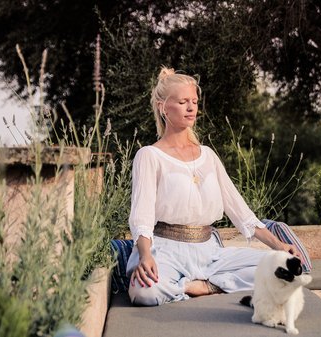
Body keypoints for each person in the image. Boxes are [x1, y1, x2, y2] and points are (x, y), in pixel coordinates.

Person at [126, 67, 301, 306]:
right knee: (143, 292)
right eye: (182, 101)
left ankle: (207, 285)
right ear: (163, 106)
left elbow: (242, 214)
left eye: (194, 102)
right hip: (167, 251)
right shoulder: (149, 156)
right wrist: (145, 255)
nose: (191, 108)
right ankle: (185, 285)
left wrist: (280, 246)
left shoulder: (207, 155)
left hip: (210, 252)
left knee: (285, 269)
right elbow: (141, 218)